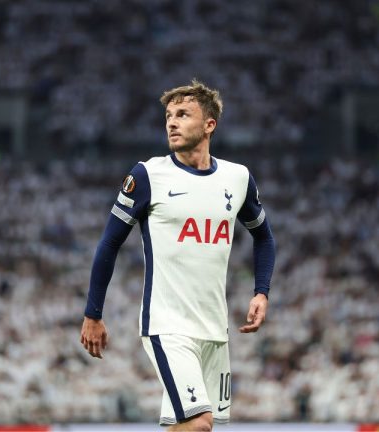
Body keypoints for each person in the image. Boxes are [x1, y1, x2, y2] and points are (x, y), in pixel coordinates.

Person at [81, 79, 276, 431]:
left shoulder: (237, 178)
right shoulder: (148, 175)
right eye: (169, 115)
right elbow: (109, 243)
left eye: (183, 114)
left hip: (215, 330)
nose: (171, 122)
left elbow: (264, 236)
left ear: (209, 125)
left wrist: (261, 291)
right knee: (200, 423)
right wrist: (93, 313)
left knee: (193, 428)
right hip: (168, 326)